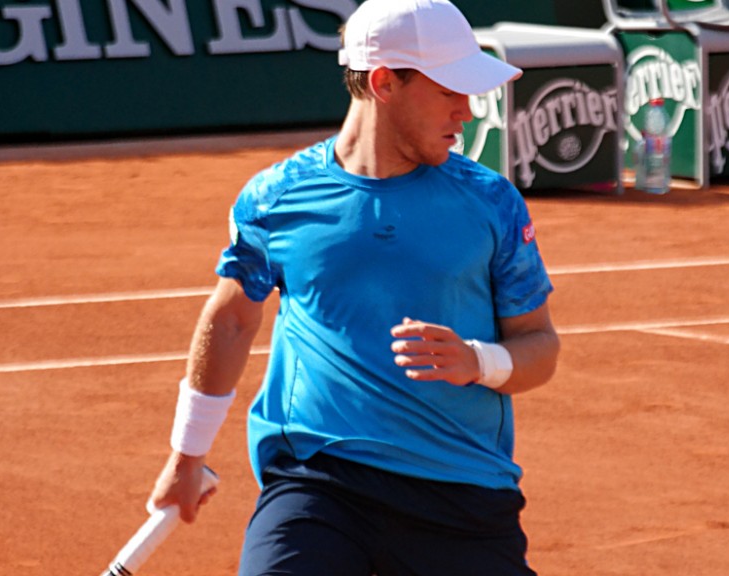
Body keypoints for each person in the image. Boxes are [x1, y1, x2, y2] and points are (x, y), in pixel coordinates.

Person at [146, 0, 560, 574]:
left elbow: (540, 345)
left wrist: (477, 360)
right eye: (449, 91)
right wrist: (187, 455)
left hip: (461, 495)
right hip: (319, 484)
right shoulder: (278, 198)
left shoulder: (492, 202)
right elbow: (234, 317)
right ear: (385, 83)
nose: (466, 111)